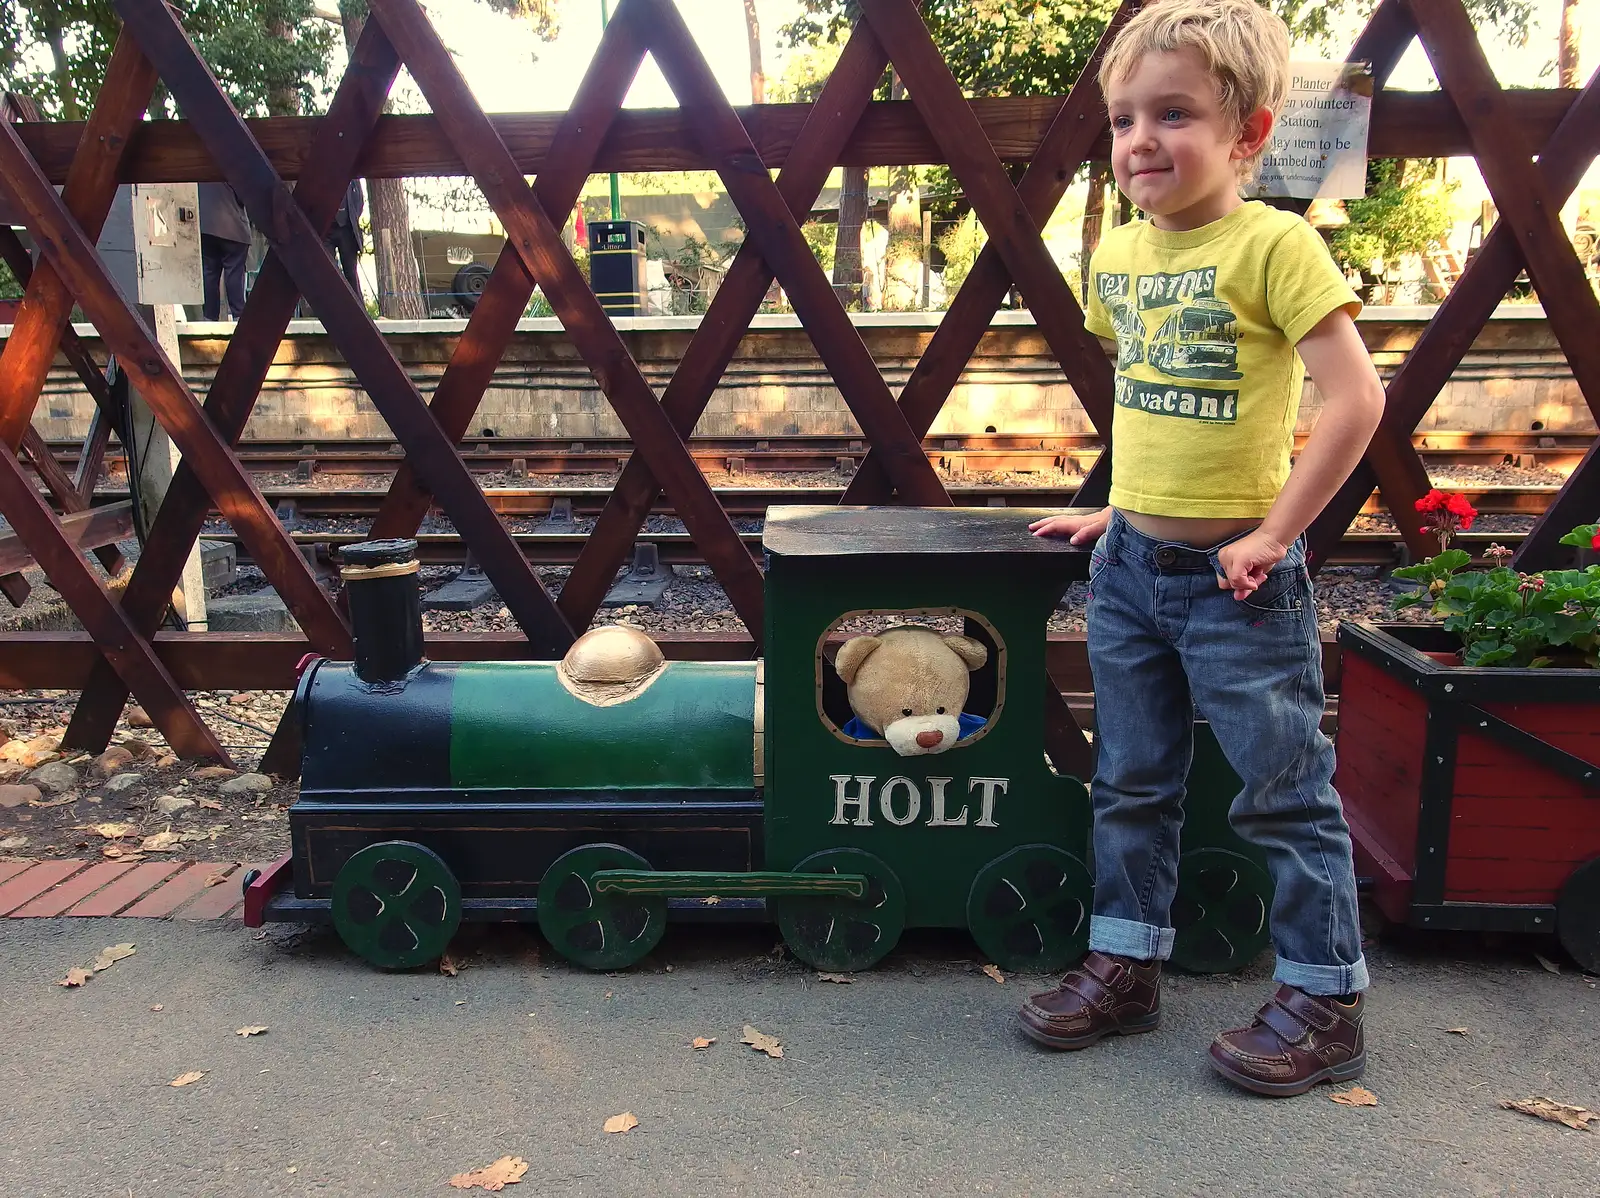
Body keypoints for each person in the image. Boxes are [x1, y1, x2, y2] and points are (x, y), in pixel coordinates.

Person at [1020, 0, 1386, 1097]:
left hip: (1239, 577)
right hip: (1132, 571)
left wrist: (1277, 530)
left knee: (1280, 787)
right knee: (1128, 778)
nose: (1139, 140)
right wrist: (1114, 504)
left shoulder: (1274, 245)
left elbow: (1354, 399)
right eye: (1124, 117)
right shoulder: (1121, 255)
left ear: (1249, 134)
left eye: (1173, 113)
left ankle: (1326, 996)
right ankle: (1127, 963)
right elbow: (1147, 397)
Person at [198, 182, 251, 320]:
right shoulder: (234, 163)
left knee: (209, 274)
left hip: (206, 226)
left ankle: (209, 317)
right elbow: (246, 195)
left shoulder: (201, 164)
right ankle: (239, 315)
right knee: (234, 272)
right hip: (233, 227)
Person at [327, 180, 365, 299]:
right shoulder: (322, 173)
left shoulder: (352, 178)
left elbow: (359, 201)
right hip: (326, 230)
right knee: (327, 271)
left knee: (351, 273)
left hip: (347, 230)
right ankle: (332, 309)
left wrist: (352, 219)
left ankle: (358, 312)